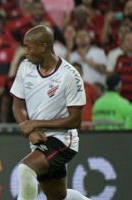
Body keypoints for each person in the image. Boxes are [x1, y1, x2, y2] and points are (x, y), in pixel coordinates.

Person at [10, 25, 89, 200]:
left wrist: (36, 124)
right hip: (39, 140)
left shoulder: (70, 75)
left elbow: (75, 120)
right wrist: (30, 130)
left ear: (43, 46)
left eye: (29, 46)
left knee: (25, 170)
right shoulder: (25, 67)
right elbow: (17, 105)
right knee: (57, 196)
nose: (25, 51)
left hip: (63, 140)